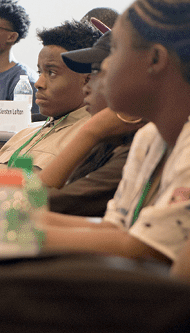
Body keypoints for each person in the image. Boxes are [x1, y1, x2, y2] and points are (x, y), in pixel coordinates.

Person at [0, 0, 190, 265]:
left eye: (115, 49)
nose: (102, 68)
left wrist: (12, 228)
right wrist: (6, 219)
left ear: (155, 60)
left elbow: (146, 247)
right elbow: (114, 228)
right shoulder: (150, 139)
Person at [0, 20, 101, 196]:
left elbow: (33, 205)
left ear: (86, 80)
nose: (38, 83)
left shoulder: (88, 137)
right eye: (40, 72)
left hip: (13, 220)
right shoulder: (25, 135)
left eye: (52, 73)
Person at [41, 22, 145, 216]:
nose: (86, 88)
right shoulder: (110, 141)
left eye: (98, 73)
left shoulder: (134, 148)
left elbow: (30, 205)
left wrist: (89, 132)